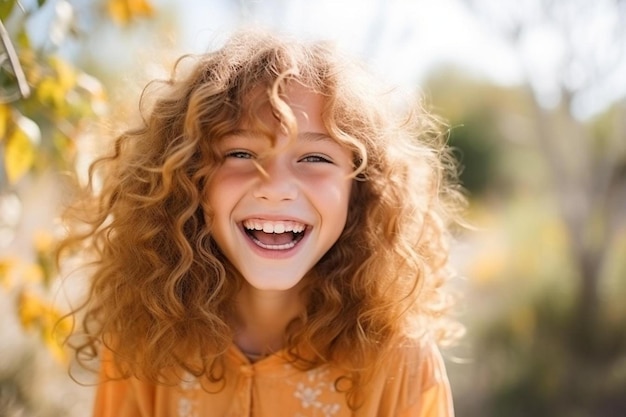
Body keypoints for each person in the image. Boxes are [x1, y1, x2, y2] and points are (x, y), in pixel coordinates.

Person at [59, 29, 465, 417]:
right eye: (240, 153)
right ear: (186, 177)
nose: (276, 188)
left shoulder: (401, 361)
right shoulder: (143, 338)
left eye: (315, 158)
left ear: (360, 188)